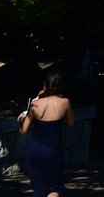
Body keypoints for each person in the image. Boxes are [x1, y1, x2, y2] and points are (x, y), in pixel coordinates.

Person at [21, 67, 75, 197]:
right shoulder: (65, 103)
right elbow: (71, 123)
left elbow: (24, 130)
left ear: (46, 84)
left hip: (36, 149)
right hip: (53, 149)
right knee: (54, 187)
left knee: (39, 187)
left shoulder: (35, 105)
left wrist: (22, 119)